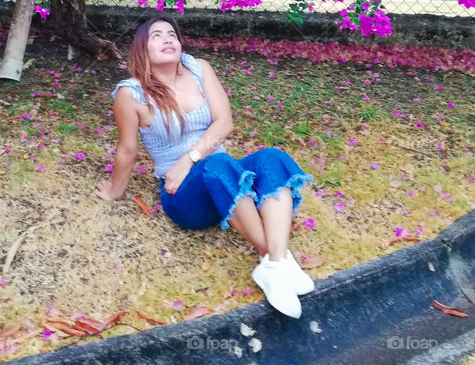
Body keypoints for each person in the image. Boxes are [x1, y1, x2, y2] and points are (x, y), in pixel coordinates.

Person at [92, 16, 315, 318]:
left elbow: (225, 123)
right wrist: (115, 191)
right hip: (184, 197)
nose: (168, 39)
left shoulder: (200, 70)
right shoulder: (131, 94)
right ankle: (277, 259)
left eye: (172, 34)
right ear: (142, 49)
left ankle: (274, 263)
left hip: (221, 176)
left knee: (272, 158)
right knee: (218, 164)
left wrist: (188, 159)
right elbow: (128, 149)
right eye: (157, 36)